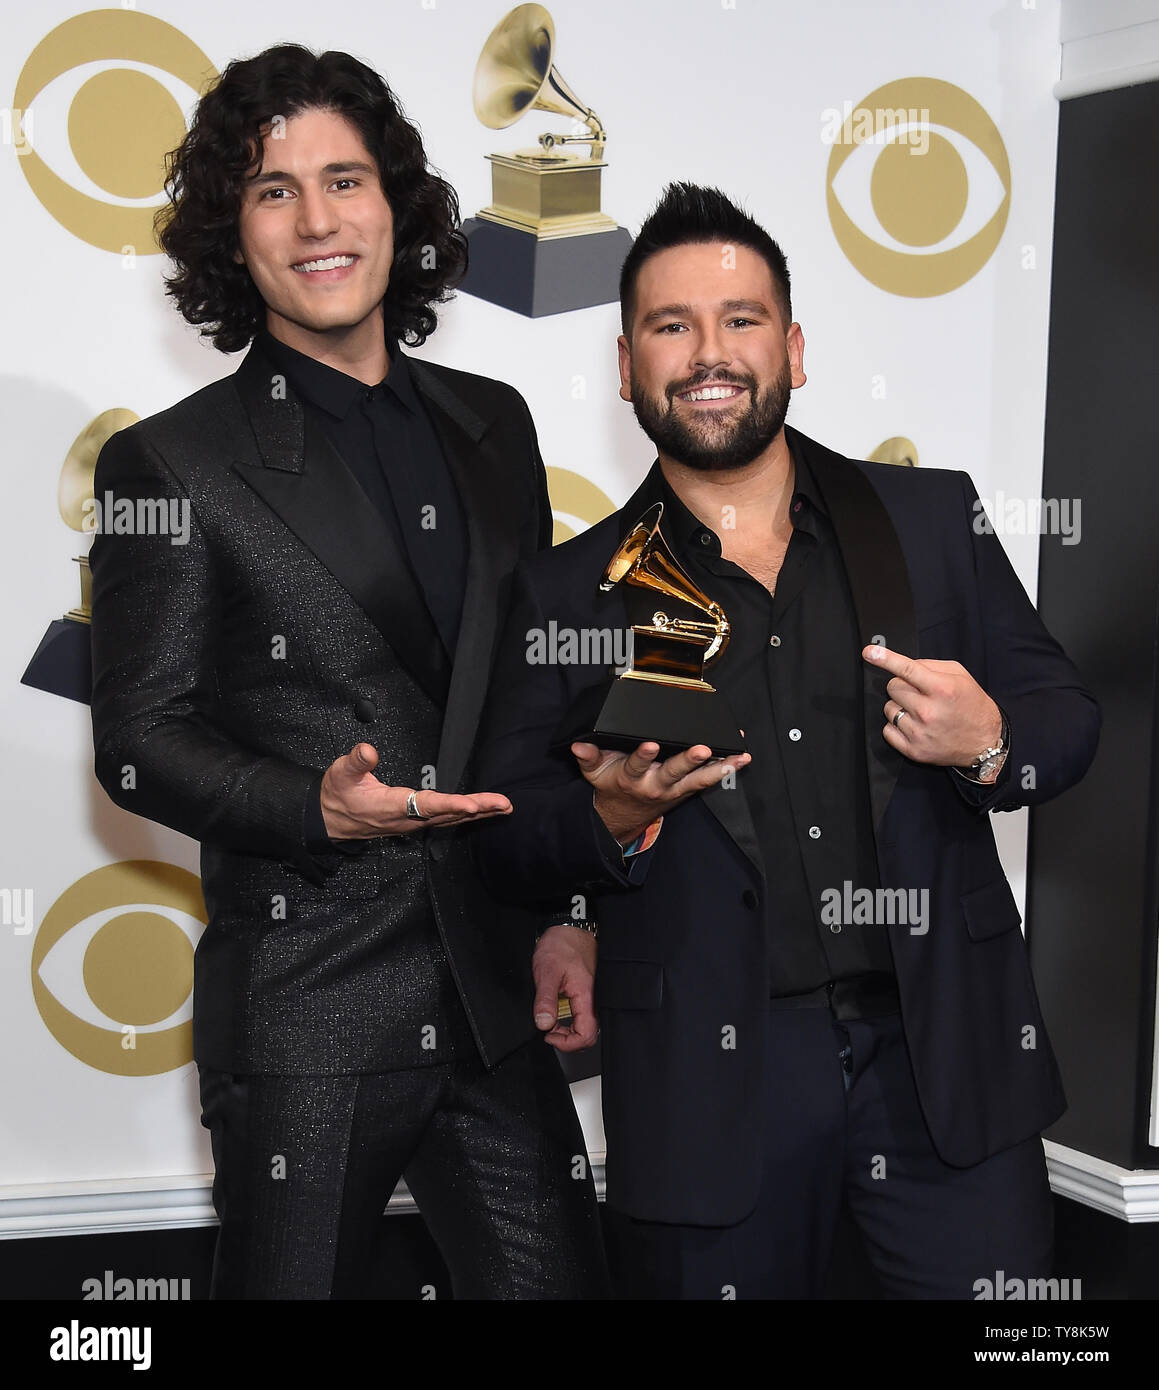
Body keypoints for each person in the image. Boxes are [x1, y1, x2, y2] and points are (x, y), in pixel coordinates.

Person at [474, 182, 1100, 1299]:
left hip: (946, 1069)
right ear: (626, 366)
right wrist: (608, 821)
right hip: (711, 1097)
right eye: (671, 326)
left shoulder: (927, 518)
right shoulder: (569, 586)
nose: (708, 352)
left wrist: (988, 739)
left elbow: (1068, 721)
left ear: (794, 348)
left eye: (740, 319)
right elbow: (506, 834)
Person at [89, 44, 606, 1300]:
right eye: (274, 191)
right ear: (234, 232)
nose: (318, 220)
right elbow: (137, 735)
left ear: (397, 208)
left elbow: (534, 711)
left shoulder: (496, 425)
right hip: (304, 1003)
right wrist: (308, 804)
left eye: (345, 180)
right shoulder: (173, 463)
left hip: (493, 994)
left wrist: (567, 920)